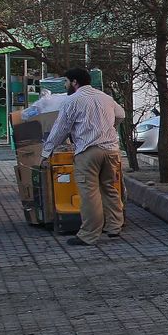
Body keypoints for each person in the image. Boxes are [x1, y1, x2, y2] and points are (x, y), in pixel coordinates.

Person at [41, 67, 125, 247]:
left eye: (66, 82)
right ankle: (115, 227)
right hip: (111, 150)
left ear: (74, 82)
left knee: (89, 193)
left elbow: (60, 130)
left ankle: (88, 234)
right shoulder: (105, 97)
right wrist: (110, 127)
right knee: (109, 187)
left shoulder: (72, 101)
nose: (65, 85)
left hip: (88, 151)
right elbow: (121, 115)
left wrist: (47, 151)